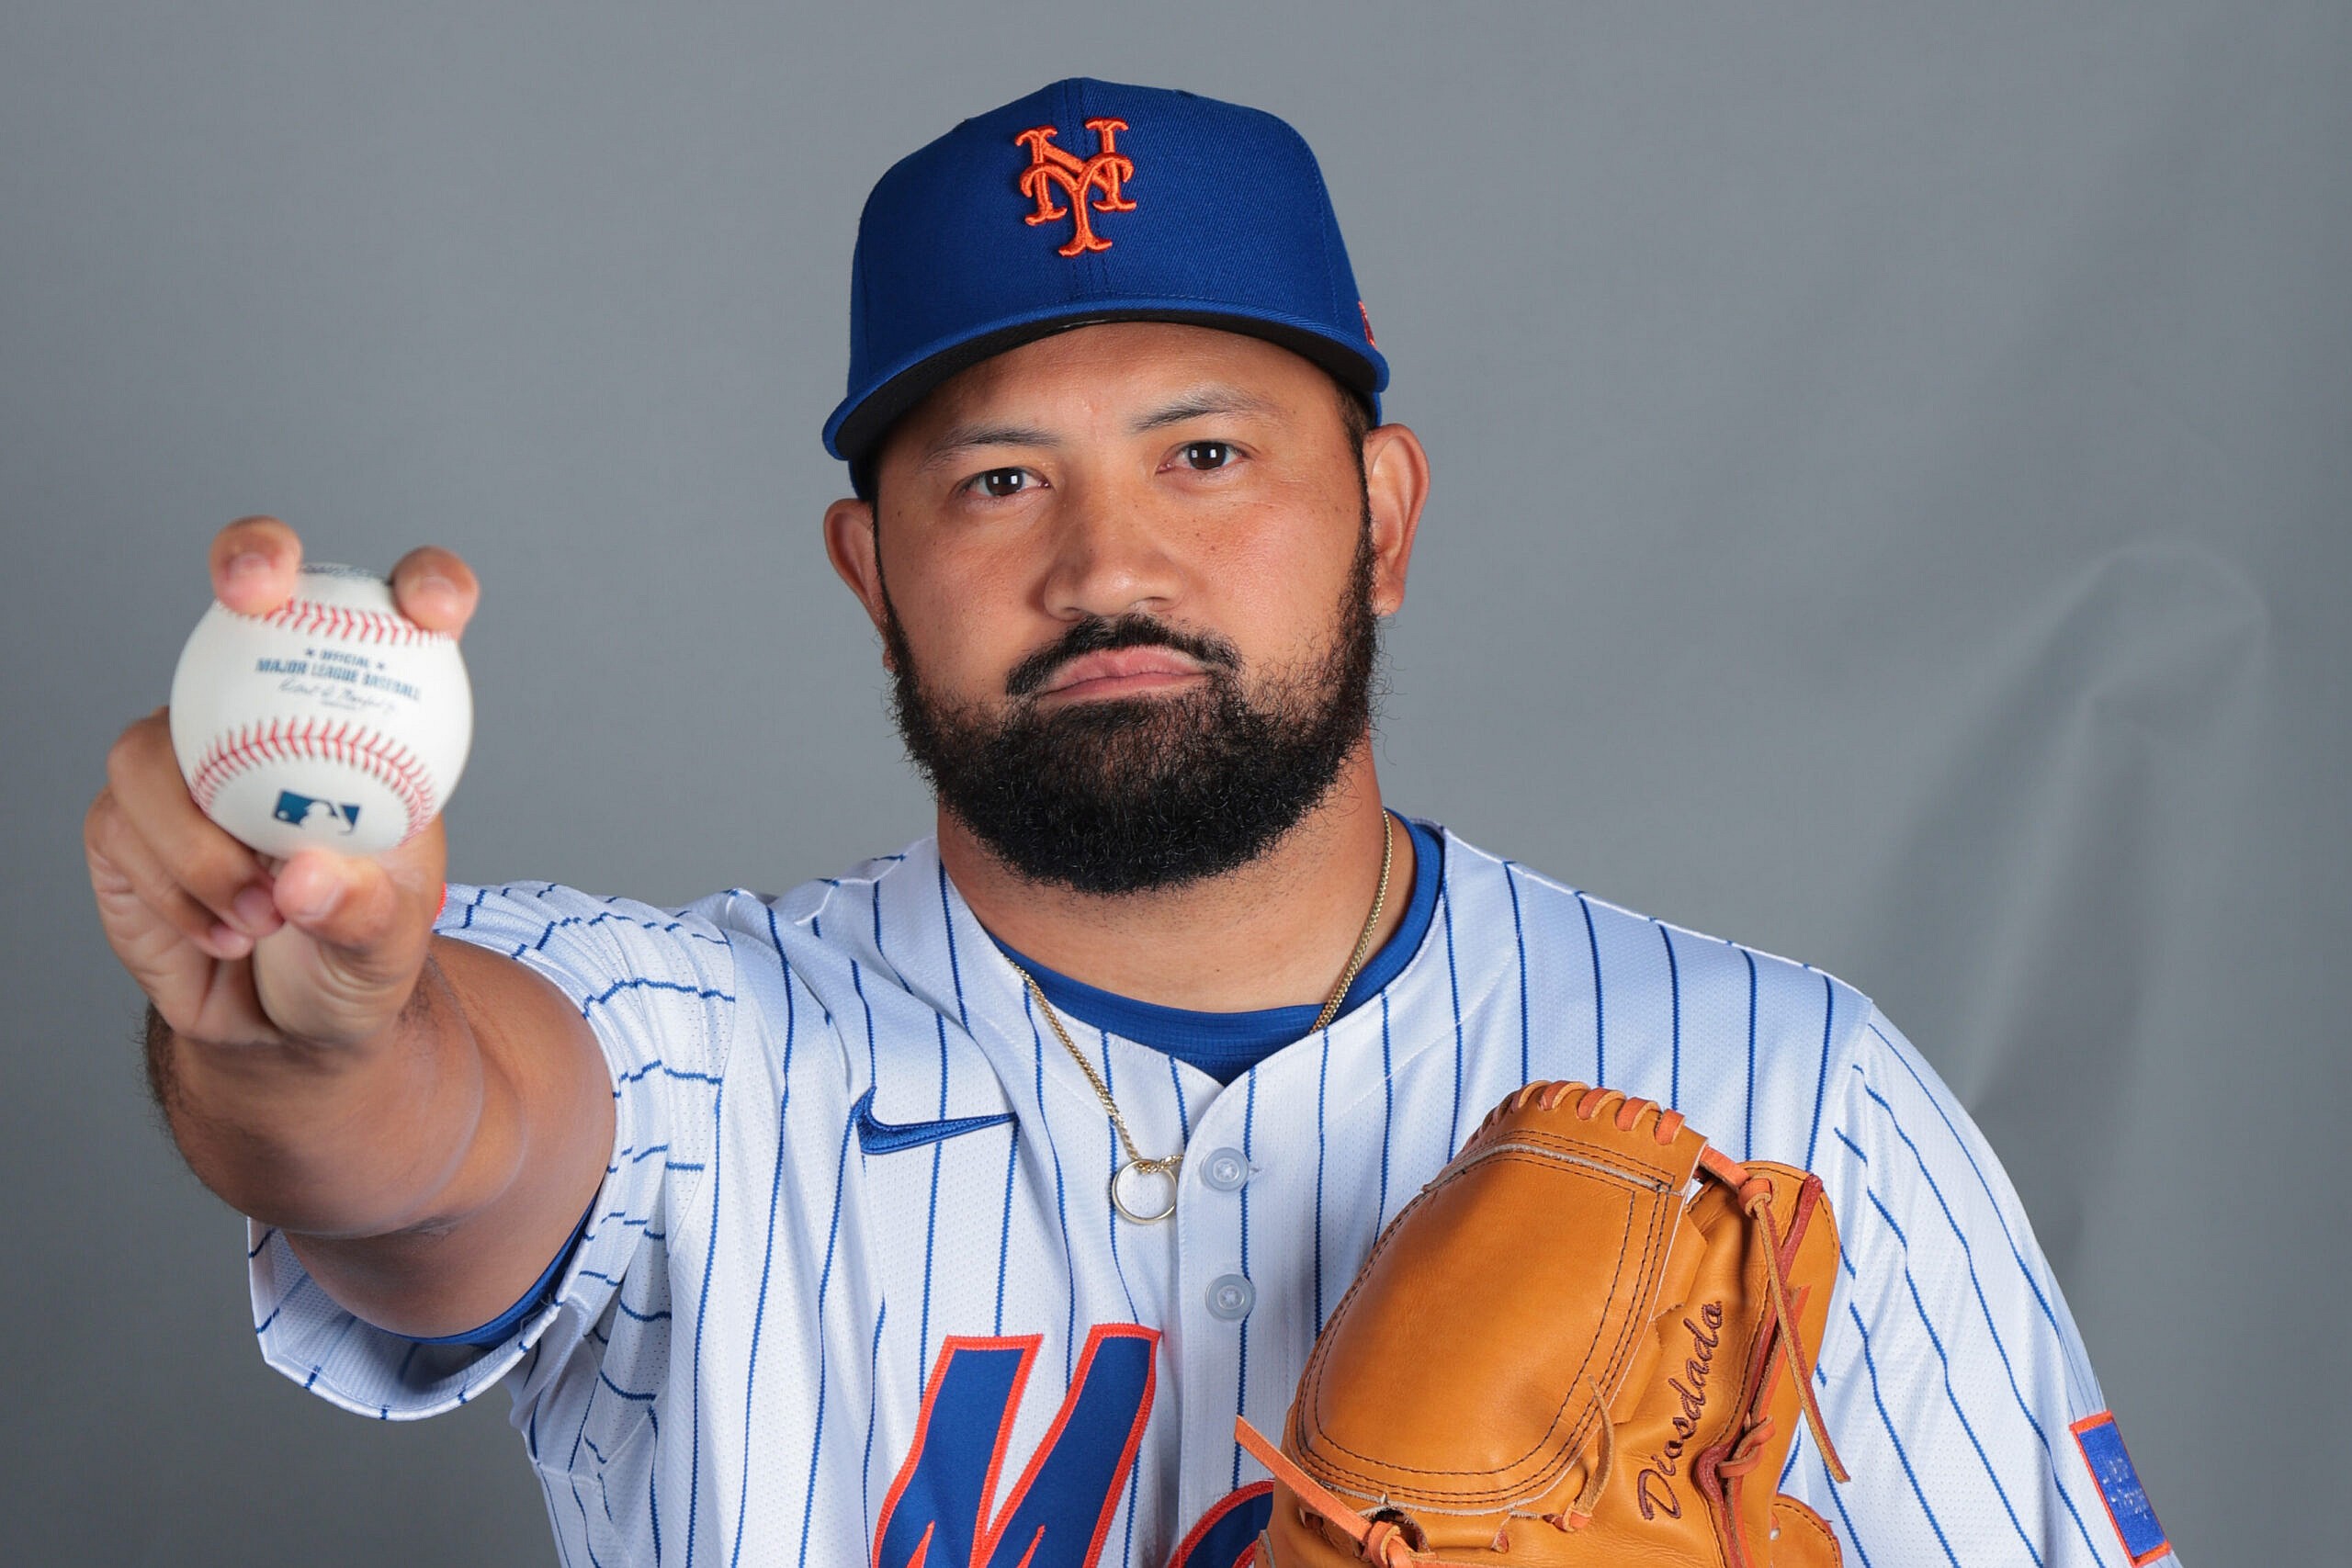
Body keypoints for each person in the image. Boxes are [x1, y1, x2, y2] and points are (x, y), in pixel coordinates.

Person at [85, 78, 2176, 1567]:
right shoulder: (700, 1050)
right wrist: (306, 1033)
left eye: (1201, 452)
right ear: (866, 567)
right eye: (996, 481)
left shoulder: (1784, 1090)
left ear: (1378, 516)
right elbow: (435, 1127)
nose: (1105, 563)